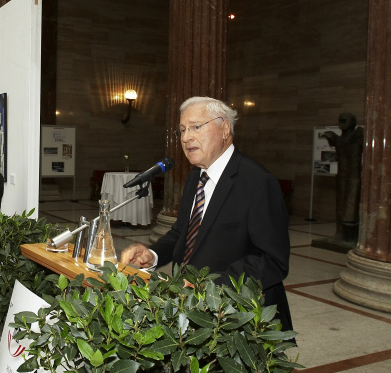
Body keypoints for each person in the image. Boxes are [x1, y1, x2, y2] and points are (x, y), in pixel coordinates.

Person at [119, 96, 293, 332]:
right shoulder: (196, 178)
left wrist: (209, 286)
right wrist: (152, 254)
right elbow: (182, 232)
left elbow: (273, 261)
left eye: (196, 127)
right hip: (192, 310)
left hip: (239, 320)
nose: (186, 137)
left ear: (225, 129)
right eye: (182, 130)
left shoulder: (257, 182)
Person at [323, 112, 363, 243]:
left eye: (345, 120)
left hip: (354, 176)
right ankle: (339, 233)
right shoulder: (335, 138)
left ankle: (350, 236)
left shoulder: (358, 134)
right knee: (340, 205)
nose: (342, 122)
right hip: (341, 176)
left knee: (350, 209)